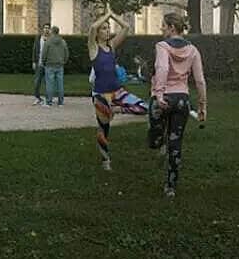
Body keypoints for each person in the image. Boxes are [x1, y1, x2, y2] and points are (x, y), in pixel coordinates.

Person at [147, 12, 207, 198]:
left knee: (154, 140)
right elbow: (200, 80)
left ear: (172, 28)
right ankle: (171, 186)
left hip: (163, 98)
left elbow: (162, 68)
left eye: (163, 25)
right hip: (182, 100)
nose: (161, 29)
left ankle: (159, 142)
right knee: (176, 142)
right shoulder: (193, 50)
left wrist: (159, 94)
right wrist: (202, 106)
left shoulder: (162, 46)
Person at [88, 17, 149, 171]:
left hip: (118, 91)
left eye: (108, 28)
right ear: (98, 33)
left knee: (144, 107)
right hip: (101, 95)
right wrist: (106, 14)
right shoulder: (93, 48)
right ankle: (105, 160)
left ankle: (117, 109)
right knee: (104, 129)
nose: (107, 30)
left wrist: (113, 15)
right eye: (104, 28)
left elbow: (126, 27)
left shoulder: (112, 46)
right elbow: (92, 28)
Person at [41, 26, 69, 107]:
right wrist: (64, 61)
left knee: (50, 84)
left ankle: (49, 102)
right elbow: (66, 53)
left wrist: (43, 62)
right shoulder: (63, 41)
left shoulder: (48, 41)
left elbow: (44, 53)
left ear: (52, 31)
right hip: (60, 65)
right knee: (60, 84)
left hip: (49, 64)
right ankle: (60, 102)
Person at [31, 24, 51, 105]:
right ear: (43, 29)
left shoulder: (51, 39)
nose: (46, 29)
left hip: (48, 64)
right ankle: (37, 97)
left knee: (47, 82)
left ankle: (47, 98)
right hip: (39, 63)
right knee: (37, 81)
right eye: (45, 28)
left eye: (48, 28)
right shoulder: (38, 38)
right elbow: (35, 49)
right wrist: (33, 61)